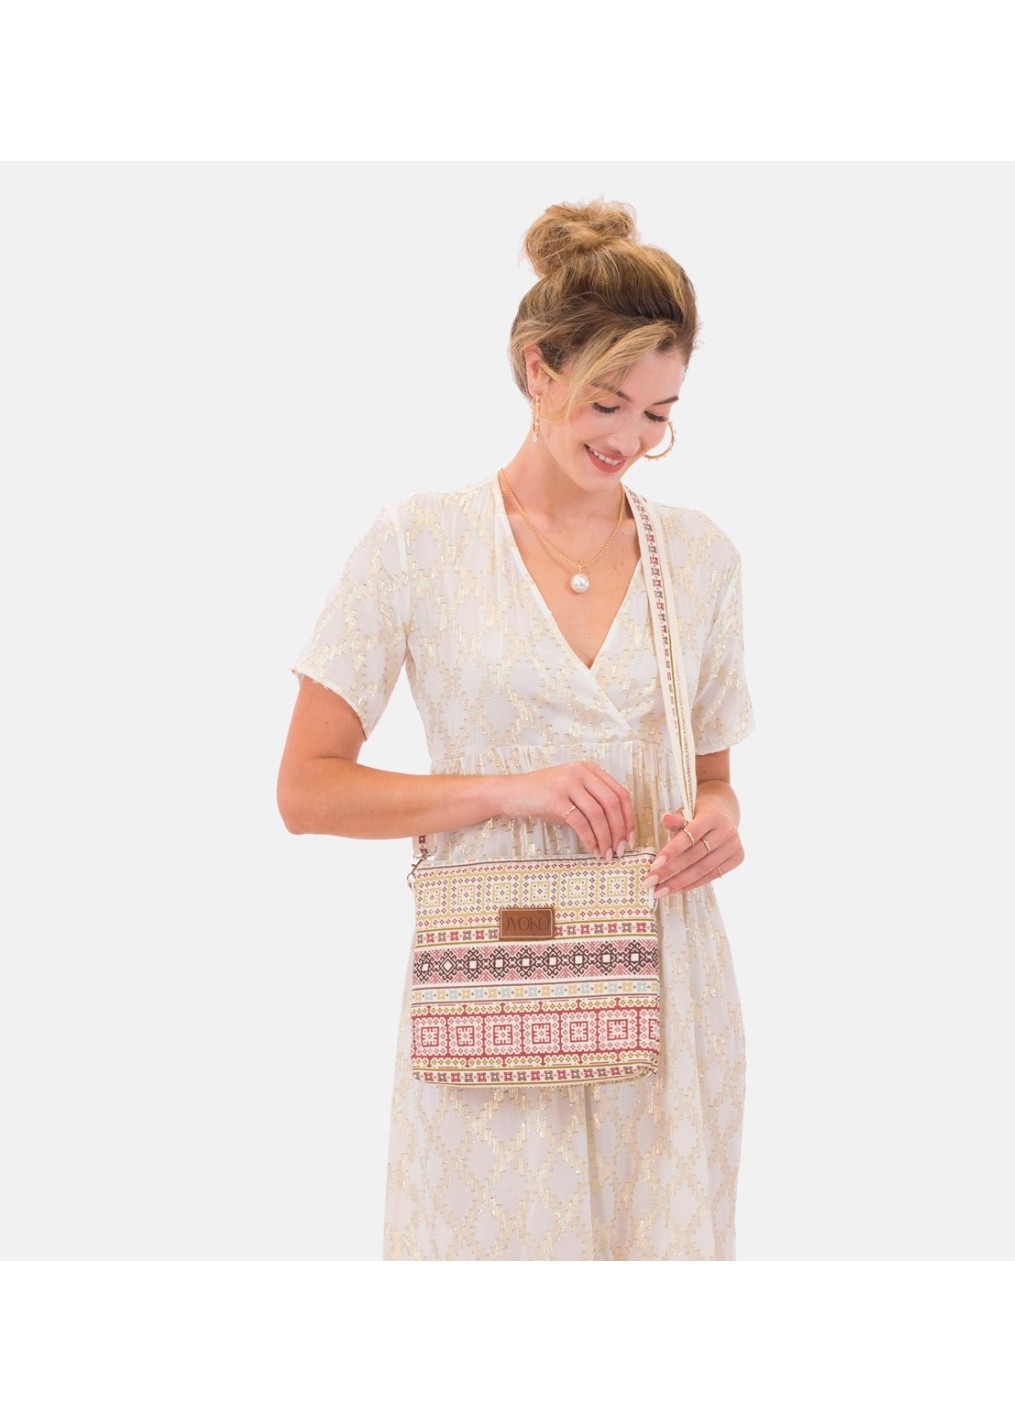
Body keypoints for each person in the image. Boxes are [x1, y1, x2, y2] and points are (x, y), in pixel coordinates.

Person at [277, 199, 756, 1261]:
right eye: (606, 402)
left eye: (658, 413)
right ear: (538, 370)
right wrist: (508, 790)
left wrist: (719, 820)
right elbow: (306, 789)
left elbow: (713, 774)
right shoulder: (418, 543)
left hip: (669, 990)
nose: (629, 440)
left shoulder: (701, 559)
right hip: (495, 985)